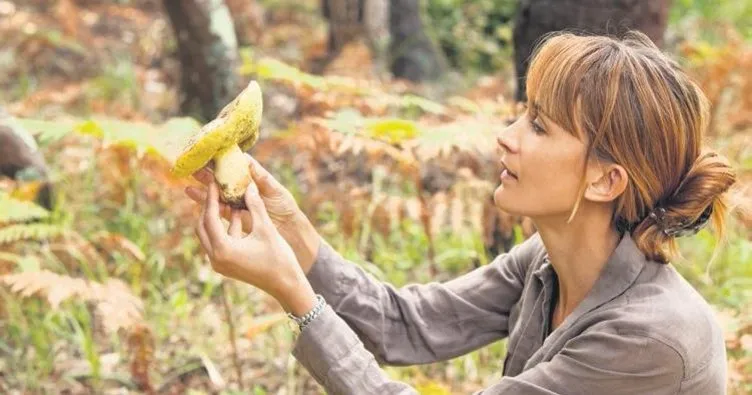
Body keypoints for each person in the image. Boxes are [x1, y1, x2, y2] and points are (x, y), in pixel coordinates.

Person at [184, 31, 737, 394]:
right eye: (523, 115)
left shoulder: (648, 340)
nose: (506, 137)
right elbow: (407, 324)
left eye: (539, 126)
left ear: (605, 179)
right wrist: (292, 232)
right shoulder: (546, 261)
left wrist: (294, 295)